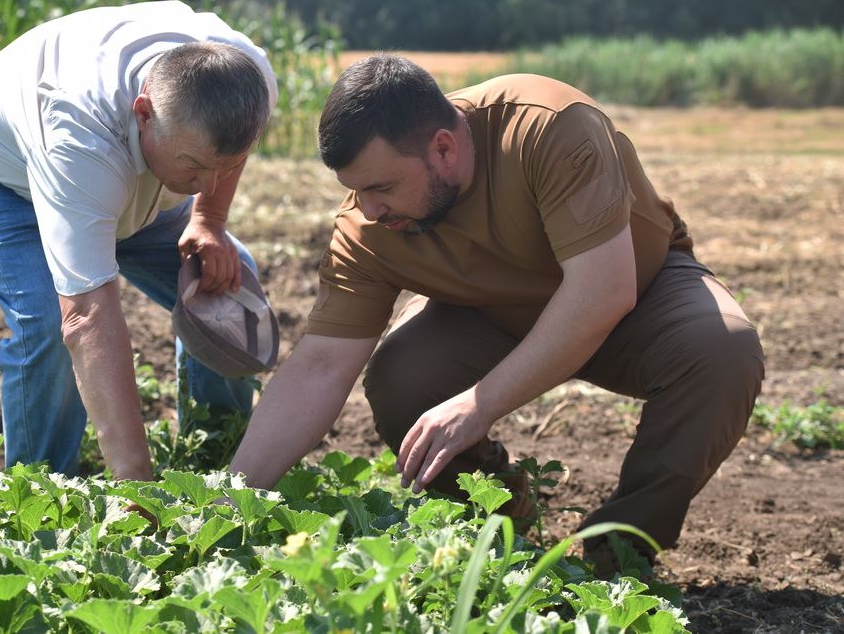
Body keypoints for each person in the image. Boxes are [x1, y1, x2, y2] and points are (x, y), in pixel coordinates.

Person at [229, 55, 764, 573]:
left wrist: (479, 404)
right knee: (401, 378)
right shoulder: (368, 228)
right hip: (490, 318)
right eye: (355, 190)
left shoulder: (547, 128)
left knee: (724, 352)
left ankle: (618, 550)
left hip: (636, 296)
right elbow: (321, 365)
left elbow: (603, 292)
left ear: (443, 148)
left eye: (382, 187)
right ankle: (499, 528)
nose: (369, 208)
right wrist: (230, 502)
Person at [0, 1, 278, 481]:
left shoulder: (245, 76)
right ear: (144, 112)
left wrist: (208, 220)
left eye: (225, 167)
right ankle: (41, 492)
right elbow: (86, 316)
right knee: (49, 317)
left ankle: (214, 462)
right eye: (194, 165)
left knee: (225, 273)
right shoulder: (79, 136)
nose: (208, 184)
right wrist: (137, 486)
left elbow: (217, 160)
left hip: (122, 179)